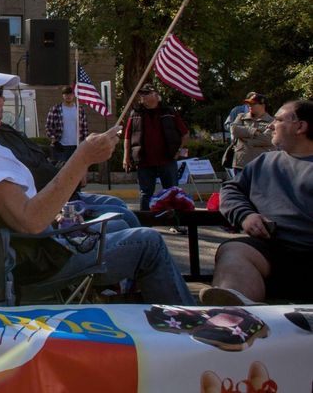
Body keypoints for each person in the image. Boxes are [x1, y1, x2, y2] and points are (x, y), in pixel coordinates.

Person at [0, 57, 193, 304]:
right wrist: (82, 158)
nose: (1, 100)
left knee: (119, 221)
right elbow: (30, 221)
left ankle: (134, 304)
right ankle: (189, 324)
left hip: (3, 253)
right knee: (148, 242)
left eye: (1, 93)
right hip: (33, 261)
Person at [201, 100, 313, 305]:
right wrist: (246, 216)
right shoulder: (264, 162)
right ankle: (236, 314)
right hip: (272, 252)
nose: (270, 125)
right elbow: (230, 189)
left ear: (300, 127)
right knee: (233, 250)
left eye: (278, 119)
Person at [0, 120, 140, 230]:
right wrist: (78, 164)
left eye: (0, 92)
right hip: (52, 210)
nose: (0, 100)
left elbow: (43, 161)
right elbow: (30, 212)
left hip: (67, 195)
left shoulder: (4, 129)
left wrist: (76, 166)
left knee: (117, 203)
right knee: (127, 221)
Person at [122, 83, 190, 211]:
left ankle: (174, 220)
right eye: (141, 94)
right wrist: (126, 157)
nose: (142, 96)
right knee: (145, 193)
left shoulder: (169, 112)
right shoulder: (136, 113)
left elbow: (185, 134)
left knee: (172, 192)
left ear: (155, 95)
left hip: (167, 159)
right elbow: (127, 137)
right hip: (144, 161)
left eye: (146, 93)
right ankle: (146, 221)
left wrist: (179, 151)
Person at [228, 92, 275, 174]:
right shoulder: (241, 117)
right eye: (248, 104)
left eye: (253, 104)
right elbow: (234, 130)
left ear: (263, 105)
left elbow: (267, 139)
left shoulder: (272, 121)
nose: (249, 106)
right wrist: (254, 132)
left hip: (261, 165)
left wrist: (245, 139)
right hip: (241, 164)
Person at [44, 86, 88, 165]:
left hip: (76, 146)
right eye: (66, 94)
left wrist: (83, 142)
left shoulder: (80, 109)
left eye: (70, 94)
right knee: (60, 169)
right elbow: (48, 126)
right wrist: (54, 141)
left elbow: (85, 128)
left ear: (74, 95)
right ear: (63, 95)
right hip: (60, 146)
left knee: (76, 168)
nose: (68, 96)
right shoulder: (55, 109)